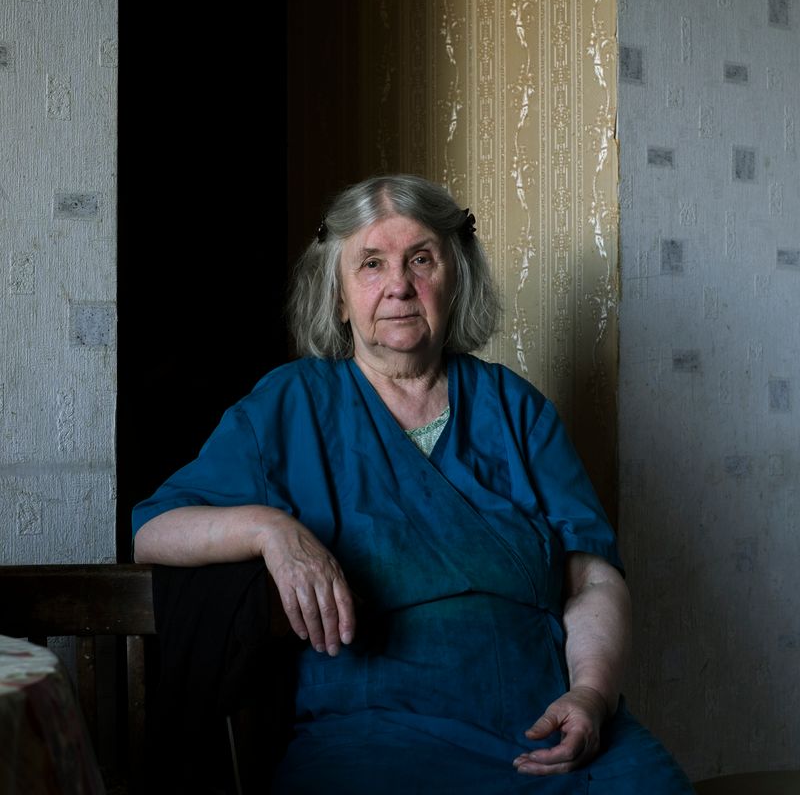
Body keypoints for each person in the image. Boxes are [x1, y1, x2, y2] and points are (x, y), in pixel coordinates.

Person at [133, 174, 693, 793]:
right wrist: (270, 529)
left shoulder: (517, 409)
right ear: (340, 296)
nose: (399, 285)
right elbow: (155, 530)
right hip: (375, 733)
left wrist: (590, 694)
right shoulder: (291, 404)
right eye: (371, 263)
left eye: (420, 259)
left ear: (454, 277)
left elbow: (593, 576)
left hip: (545, 720)